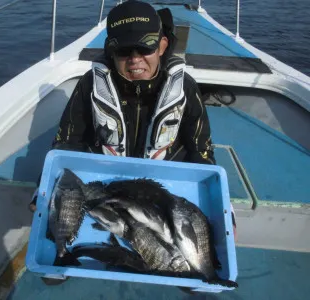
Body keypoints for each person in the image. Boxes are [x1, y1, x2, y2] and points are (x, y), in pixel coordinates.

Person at [30, 0, 236, 238]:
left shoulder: (185, 88)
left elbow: (201, 151)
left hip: (164, 187)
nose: (135, 59)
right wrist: (43, 189)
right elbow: (67, 142)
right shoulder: (90, 85)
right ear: (111, 51)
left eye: (146, 47)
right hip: (104, 184)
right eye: (124, 50)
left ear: (162, 46)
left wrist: (224, 208)